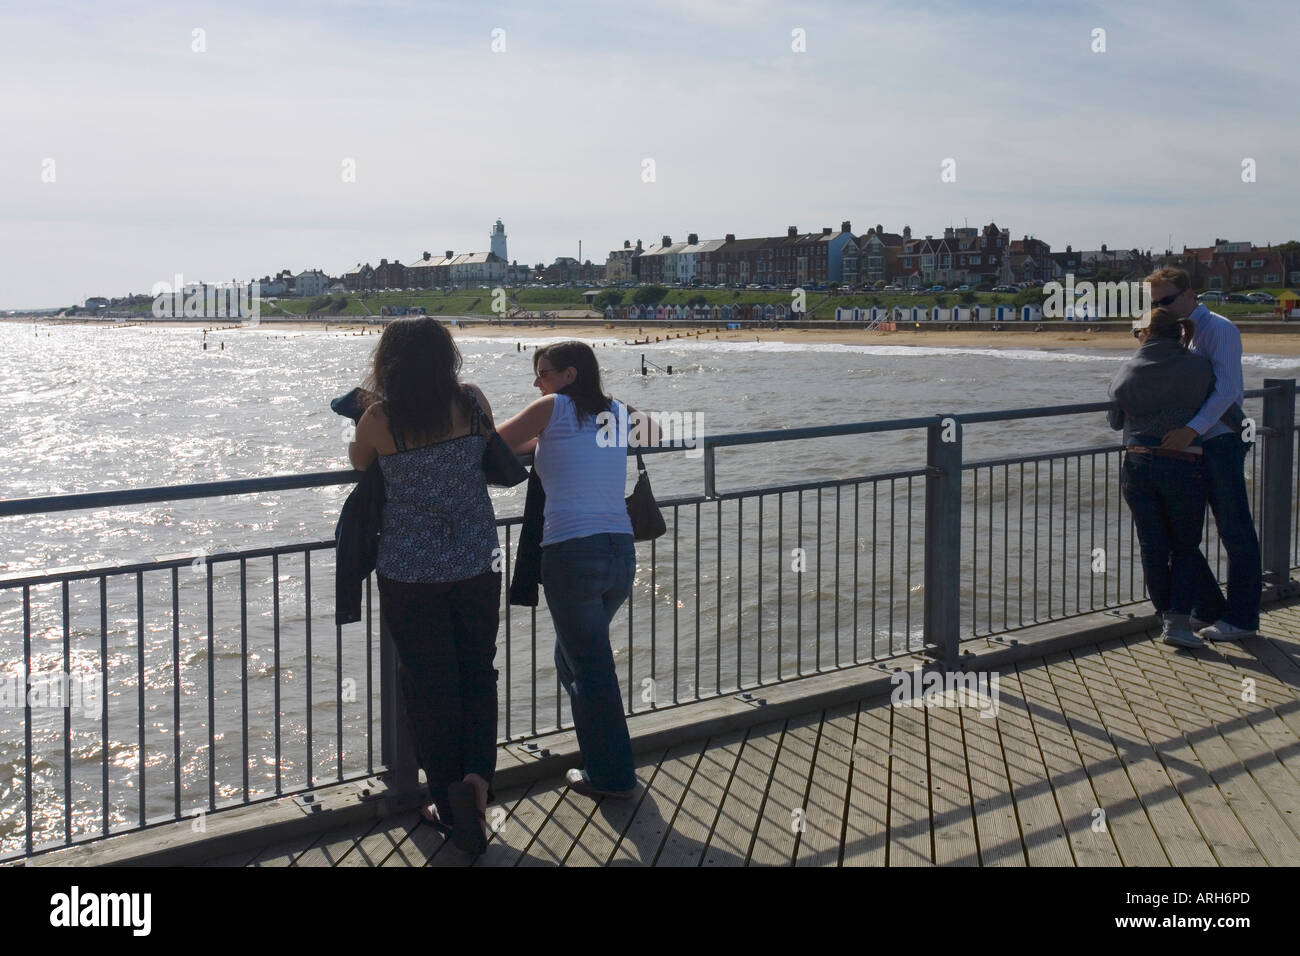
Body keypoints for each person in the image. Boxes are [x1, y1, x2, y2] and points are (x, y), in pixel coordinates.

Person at [347, 316, 500, 855]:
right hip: (478, 560)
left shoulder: (379, 417)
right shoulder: (474, 401)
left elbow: (359, 461)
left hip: (411, 571)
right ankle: (479, 781)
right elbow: (487, 453)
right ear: (447, 356)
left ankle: (445, 796)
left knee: (429, 683)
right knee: (477, 671)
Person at [496, 342, 656, 799]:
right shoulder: (615, 412)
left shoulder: (553, 407)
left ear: (569, 374)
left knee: (591, 670)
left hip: (572, 556)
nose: (537, 382)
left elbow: (493, 442)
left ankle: (612, 776)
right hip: (620, 554)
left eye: (542, 373)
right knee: (574, 659)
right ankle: (602, 755)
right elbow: (660, 433)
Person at [1147, 267, 1260, 640]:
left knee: (1235, 529)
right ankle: (1210, 607)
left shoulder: (1219, 329)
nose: (1160, 308)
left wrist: (1190, 430)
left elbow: (1228, 390)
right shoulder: (1179, 334)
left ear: (1189, 294)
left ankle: (1242, 620)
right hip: (1191, 445)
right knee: (1183, 535)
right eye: (1154, 303)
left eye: (1166, 300)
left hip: (1221, 439)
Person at [1108, 307, 1222, 648]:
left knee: (1152, 545)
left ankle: (1166, 618)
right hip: (1183, 463)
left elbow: (1115, 421)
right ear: (1179, 333)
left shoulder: (1126, 371)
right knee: (1185, 546)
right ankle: (1178, 622)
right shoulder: (1200, 368)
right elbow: (1221, 407)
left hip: (1137, 463)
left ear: (1144, 335)